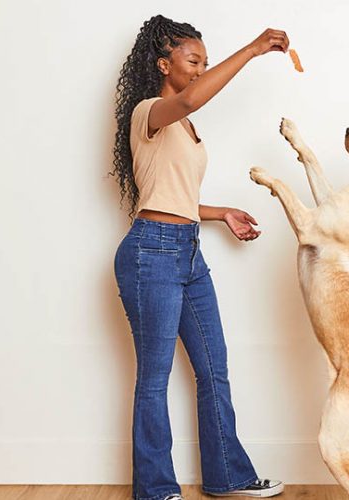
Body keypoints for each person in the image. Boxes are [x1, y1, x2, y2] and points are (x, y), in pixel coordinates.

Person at [111, 14, 290, 500]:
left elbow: (174, 195)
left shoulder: (186, 127)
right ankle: (155, 489)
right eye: (193, 61)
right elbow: (189, 97)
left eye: (204, 63)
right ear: (163, 64)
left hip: (187, 252)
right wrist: (252, 49)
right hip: (150, 253)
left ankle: (227, 476)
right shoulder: (151, 111)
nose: (198, 70)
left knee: (214, 368)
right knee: (154, 378)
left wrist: (218, 213)